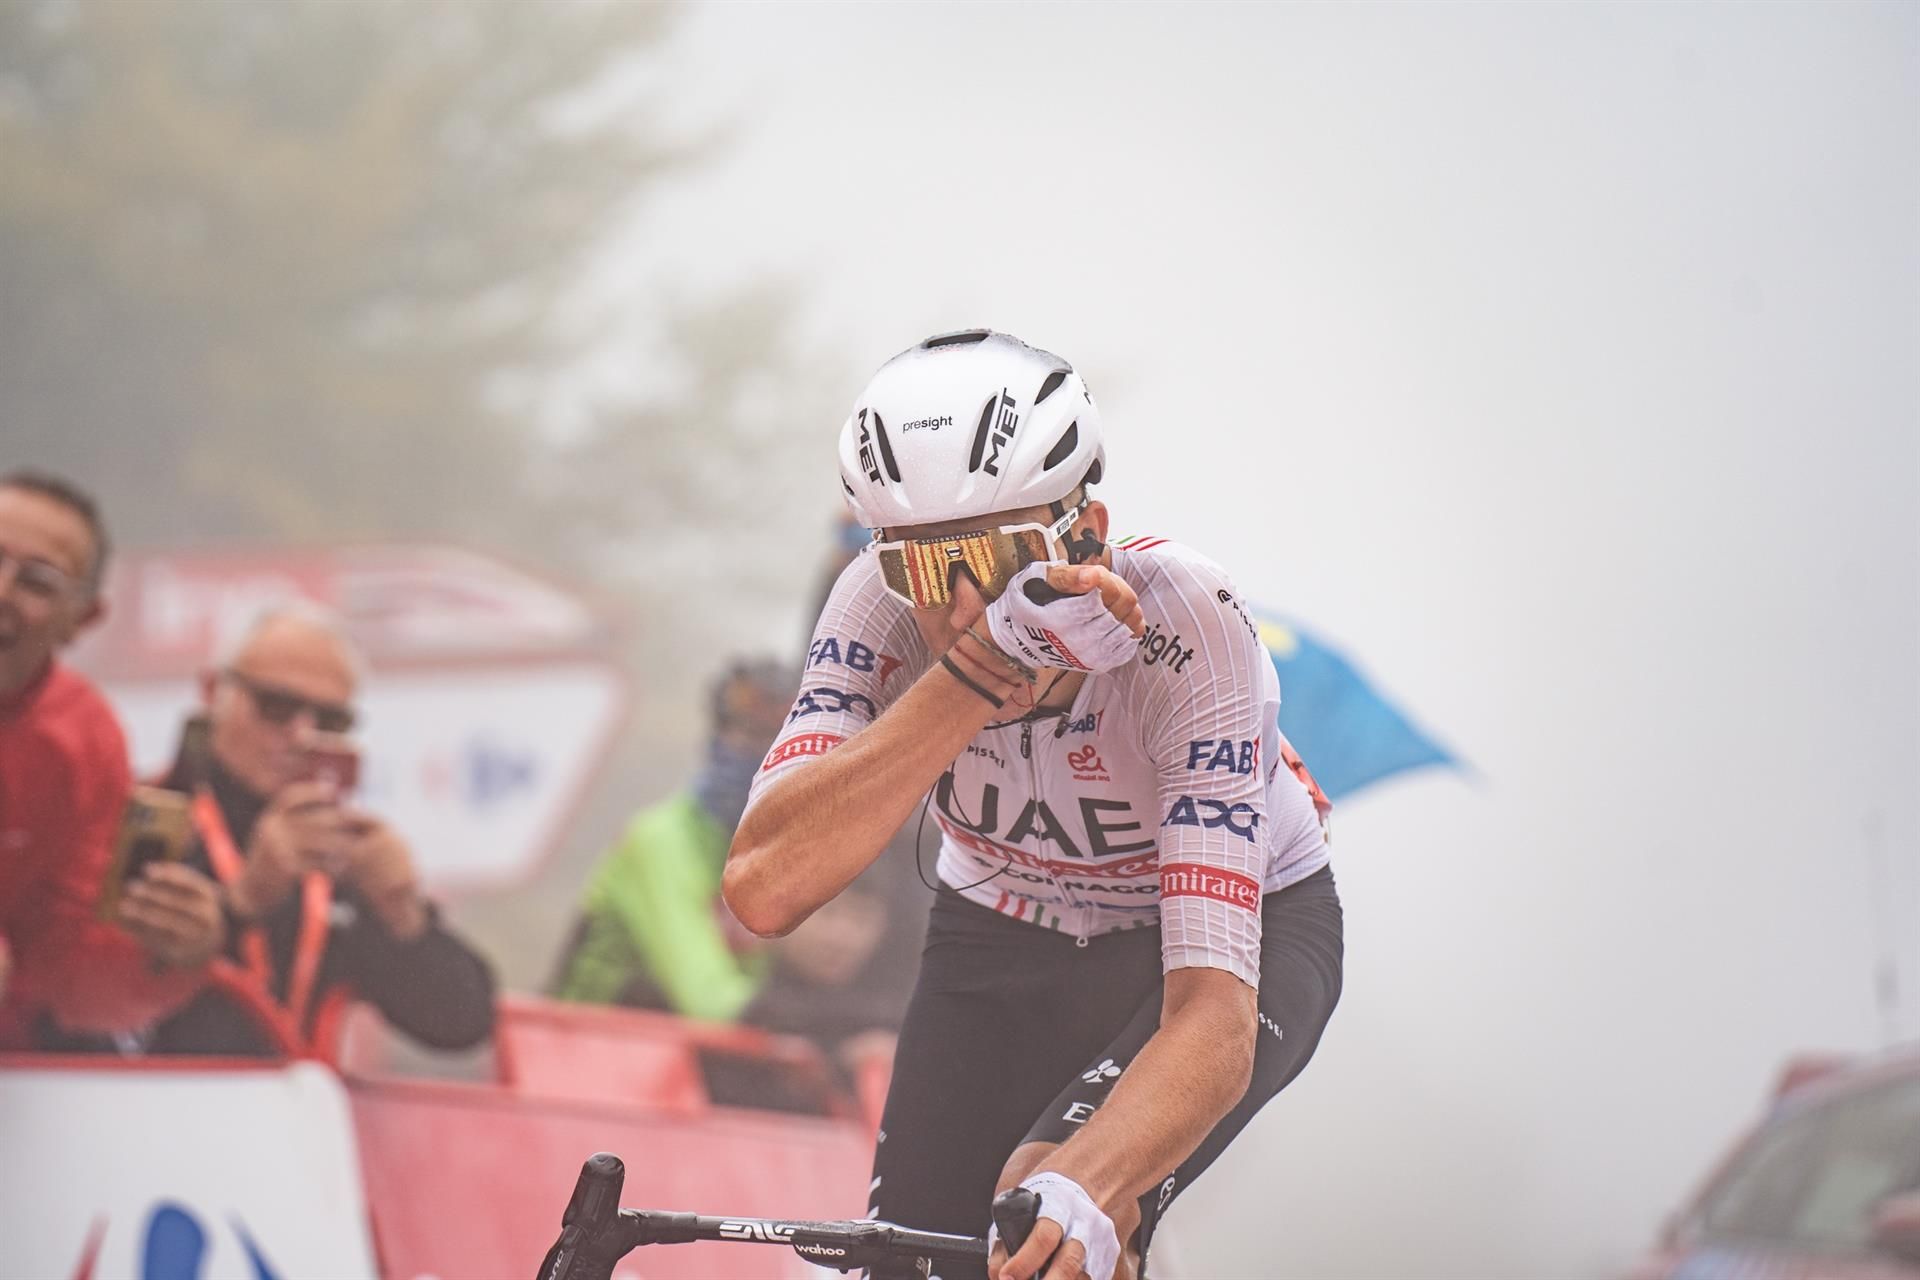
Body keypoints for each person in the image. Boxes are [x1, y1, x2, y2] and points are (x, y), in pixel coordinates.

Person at [725, 331, 1343, 1280]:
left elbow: (1214, 1017)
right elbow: (766, 890)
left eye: (1001, 558)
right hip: (999, 926)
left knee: (1043, 1215)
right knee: (905, 1267)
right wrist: (982, 667)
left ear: (1086, 533)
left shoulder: (1187, 622)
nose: (962, 602)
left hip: (1219, 945)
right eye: (926, 566)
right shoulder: (874, 608)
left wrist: (1089, 1188)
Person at [128, 604, 497, 1056]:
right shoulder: (147, 815)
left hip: (291, 1117)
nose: (302, 735)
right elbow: (104, 995)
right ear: (211, 693)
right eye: (276, 707)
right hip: (151, 1106)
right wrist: (242, 901)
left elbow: (461, 1023)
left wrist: (403, 915)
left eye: (329, 721)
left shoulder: (337, 851)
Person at [0, 470, 210, 1049]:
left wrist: (170, 955)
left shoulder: (85, 740)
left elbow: (75, 980)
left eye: (36, 583)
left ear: (83, 620)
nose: (1, 591)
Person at [551, 658, 797, 1020]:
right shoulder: (659, 840)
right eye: (747, 734)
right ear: (716, 738)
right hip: (574, 1055)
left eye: (780, 741)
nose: (762, 755)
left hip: (681, 1067)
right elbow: (713, 1006)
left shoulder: (786, 851)